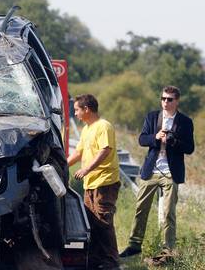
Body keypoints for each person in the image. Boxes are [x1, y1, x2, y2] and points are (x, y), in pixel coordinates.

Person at [119, 86, 194, 262]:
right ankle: (134, 246)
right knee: (140, 209)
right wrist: (156, 137)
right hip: (150, 171)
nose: (165, 102)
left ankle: (168, 252)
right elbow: (141, 139)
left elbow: (190, 148)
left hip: (170, 173)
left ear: (177, 101)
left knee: (169, 213)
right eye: (163, 98)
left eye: (169, 99)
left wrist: (172, 140)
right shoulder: (152, 117)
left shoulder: (185, 121)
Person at [67, 94, 120, 270]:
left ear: (86, 109)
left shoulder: (103, 126)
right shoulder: (86, 129)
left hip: (104, 182)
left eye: (76, 110)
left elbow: (105, 150)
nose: (75, 114)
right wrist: (62, 165)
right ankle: (97, 260)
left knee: (104, 221)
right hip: (90, 183)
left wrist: (87, 169)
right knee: (92, 222)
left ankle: (111, 261)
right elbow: (79, 152)